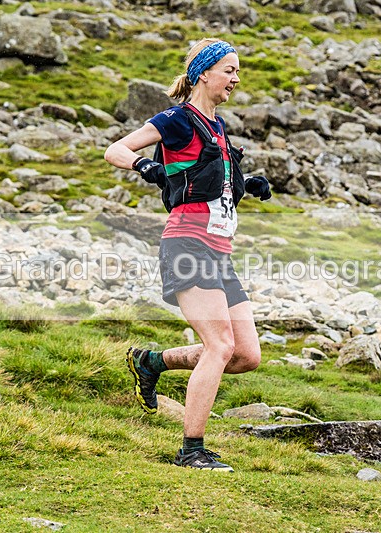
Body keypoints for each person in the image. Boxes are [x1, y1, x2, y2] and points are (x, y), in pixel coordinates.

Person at [104, 38, 272, 472]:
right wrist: (145, 166)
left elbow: (206, 180)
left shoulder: (217, 126)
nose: (236, 79)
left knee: (245, 355)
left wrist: (246, 184)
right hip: (187, 244)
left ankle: (151, 361)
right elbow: (117, 149)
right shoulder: (177, 119)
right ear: (204, 74)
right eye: (229, 70)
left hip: (220, 251)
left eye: (238, 71)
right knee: (219, 345)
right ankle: (191, 450)